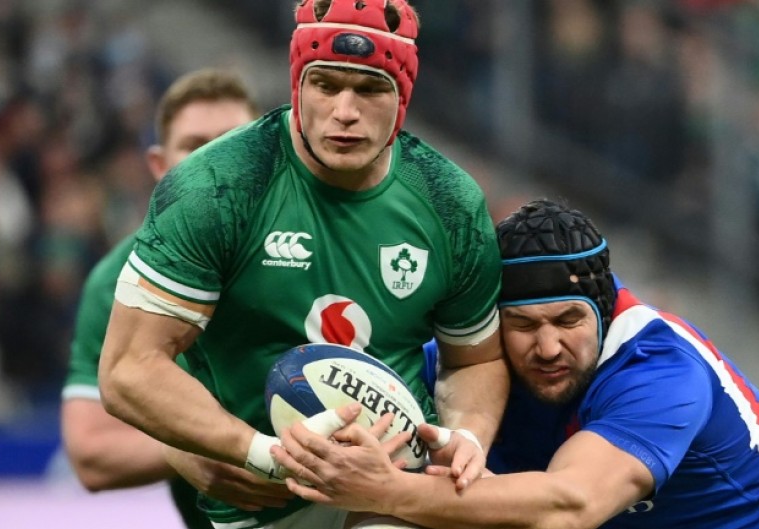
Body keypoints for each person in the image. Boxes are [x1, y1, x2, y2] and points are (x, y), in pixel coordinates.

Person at [98, 1, 509, 528]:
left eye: (370, 89)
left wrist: (468, 435)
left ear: (402, 96)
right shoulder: (217, 186)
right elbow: (128, 368)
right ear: (297, 85)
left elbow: (474, 359)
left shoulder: (449, 201)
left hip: (395, 489)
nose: (345, 110)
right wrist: (259, 452)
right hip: (264, 502)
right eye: (325, 85)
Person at [272, 198, 759, 529]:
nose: (548, 347)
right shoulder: (462, 370)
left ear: (604, 312)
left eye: (568, 321)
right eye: (524, 325)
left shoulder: (660, 368)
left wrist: (388, 489)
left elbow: (569, 505)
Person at [61, 68, 270, 529]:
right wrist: (193, 445)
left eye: (235, 142)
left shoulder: (324, 241)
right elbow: (91, 454)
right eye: (196, 146)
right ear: (159, 166)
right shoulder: (119, 280)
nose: (217, 163)